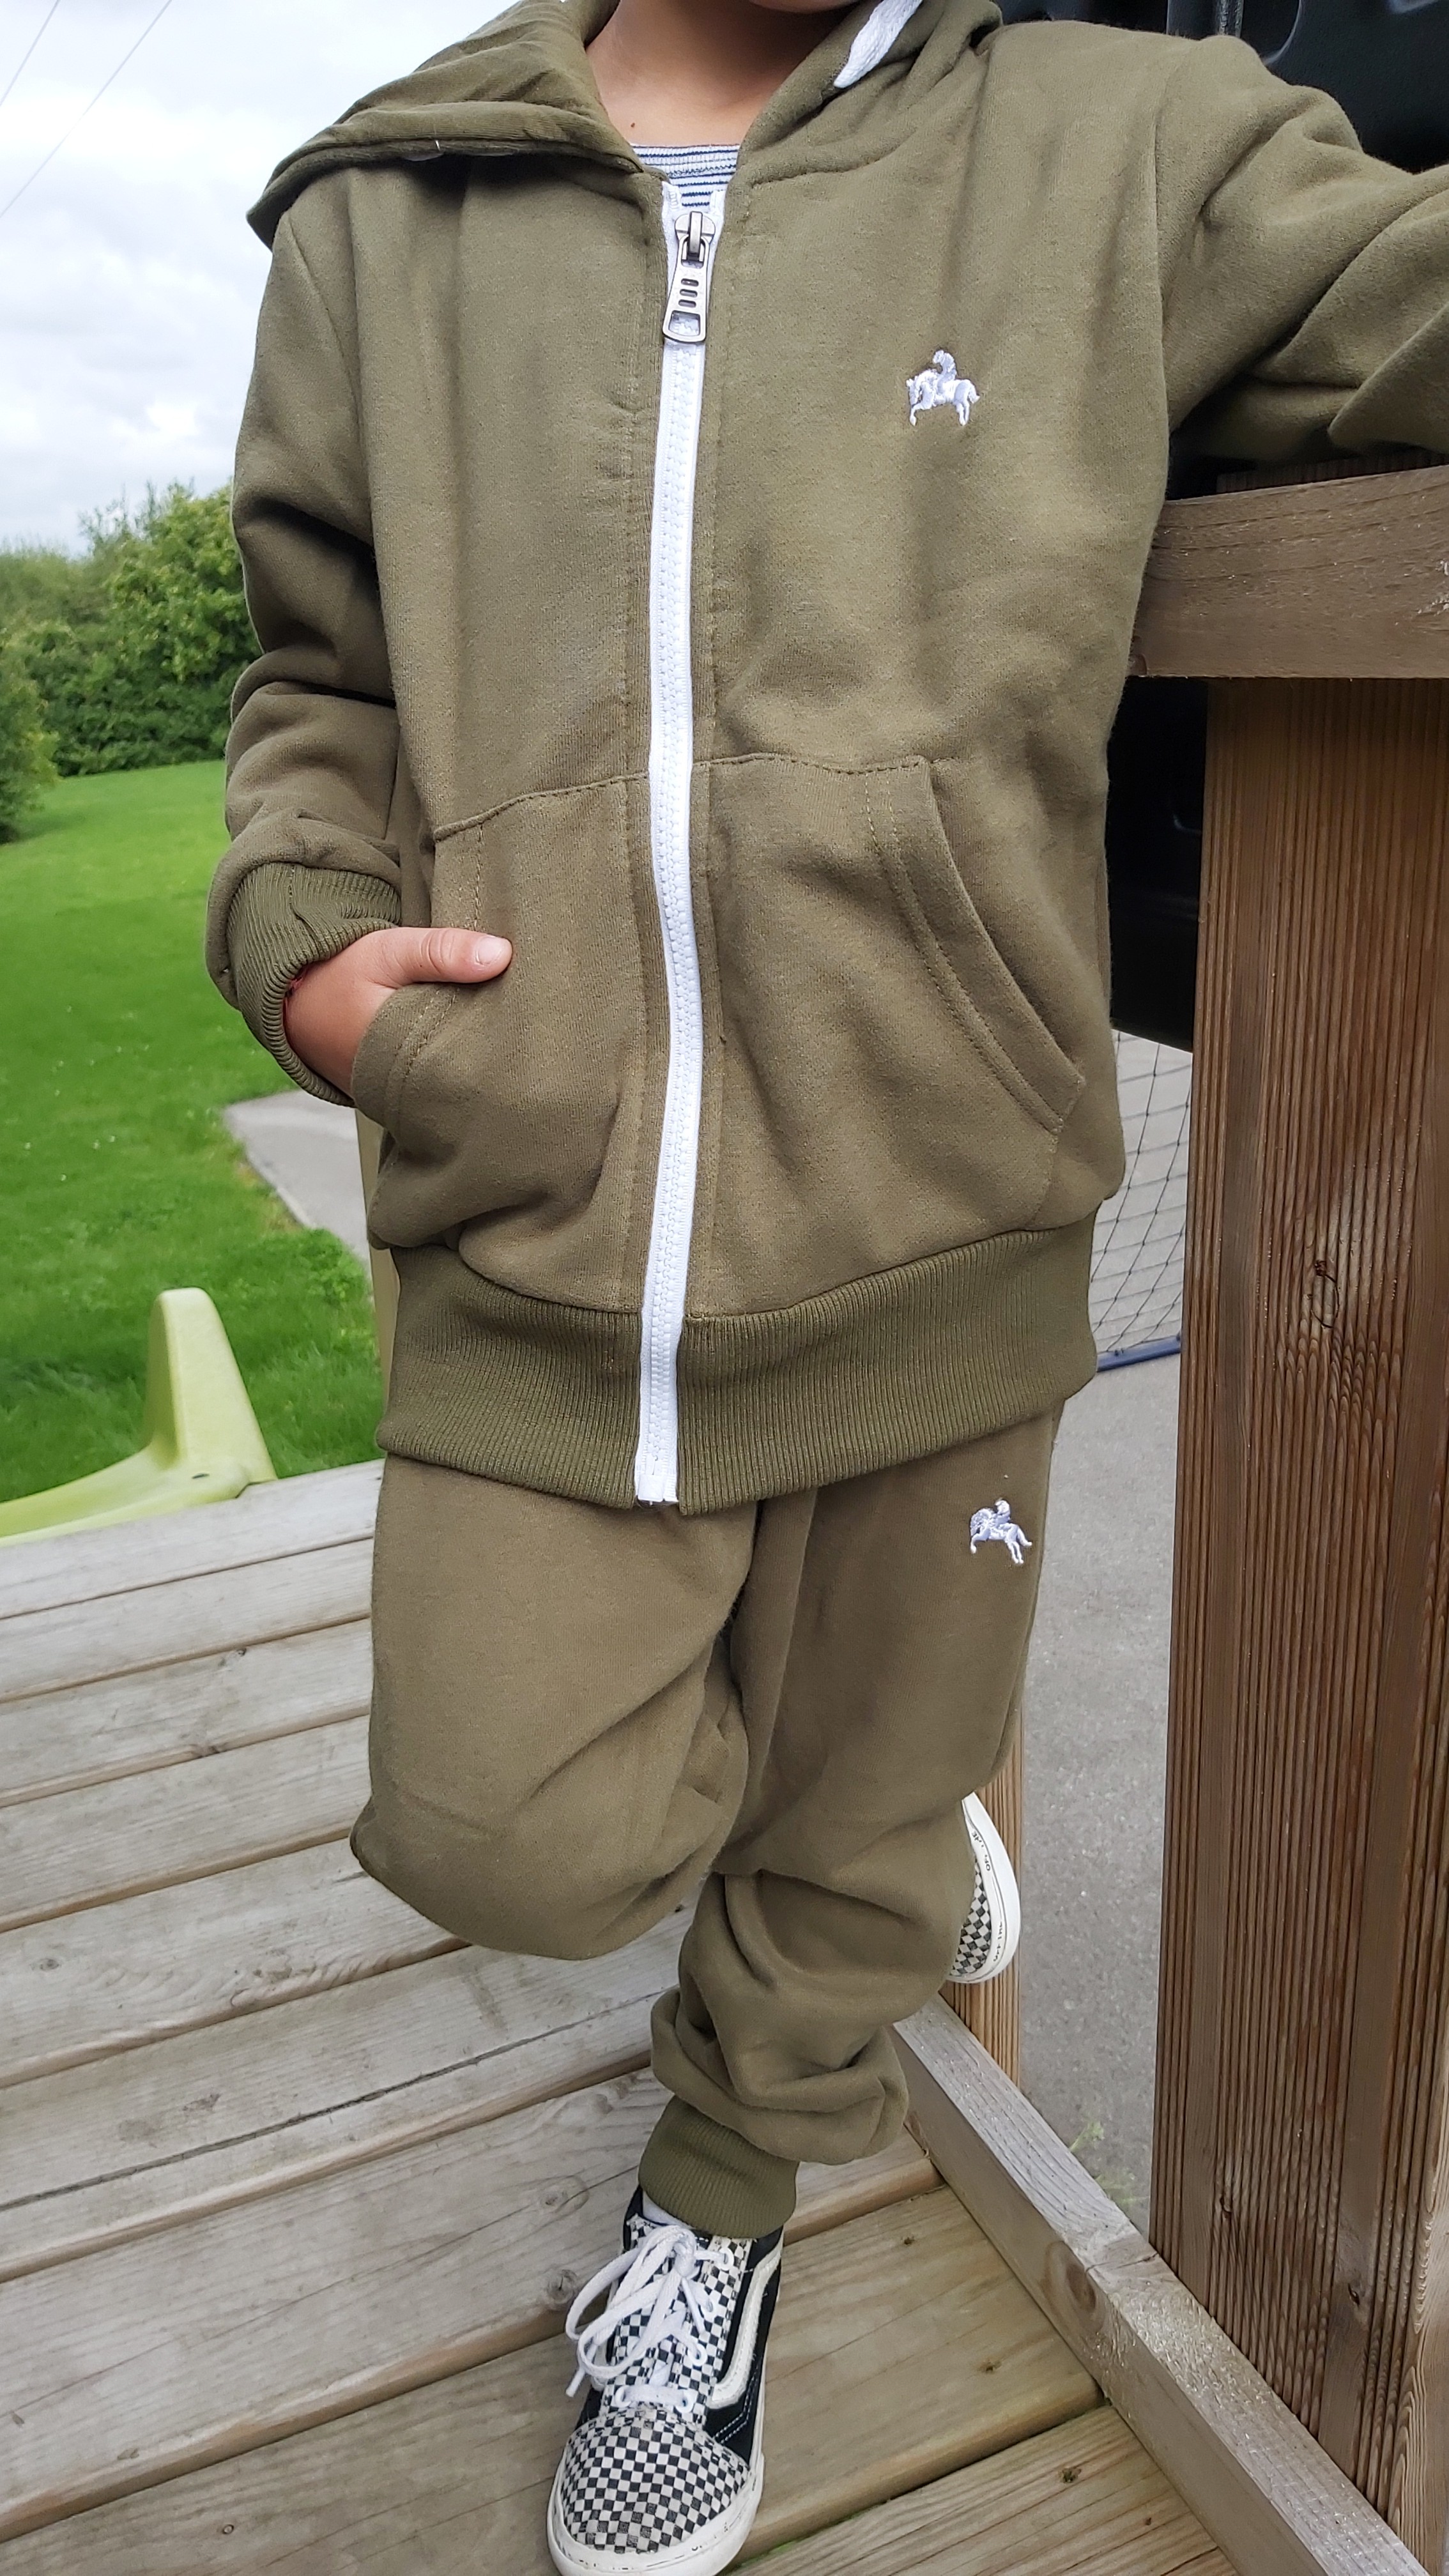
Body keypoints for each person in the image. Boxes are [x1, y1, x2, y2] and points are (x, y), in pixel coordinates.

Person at [207, 2, 1449, 2566]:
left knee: (867, 1814)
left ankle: (723, 2189)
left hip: (942, 1216)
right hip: (538, 1219)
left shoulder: (1138, 138)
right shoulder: (384, 205)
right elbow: (315, 676)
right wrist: (307, 952)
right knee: (501, 1841)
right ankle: (860, 1834)